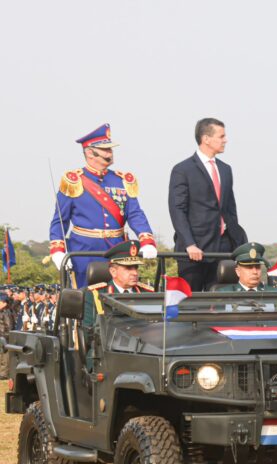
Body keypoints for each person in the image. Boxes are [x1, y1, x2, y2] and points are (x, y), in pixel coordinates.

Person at [49, 124, 157, 288]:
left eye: (110, 149)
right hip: (84, 249)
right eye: (105, 150)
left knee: (116, 294)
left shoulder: (121, 180)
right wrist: (57, 251)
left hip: (117, 248)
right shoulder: (74, 180)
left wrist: (147, 240)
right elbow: (60, 220)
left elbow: (135, 214)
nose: (110, 153)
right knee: (84, 296)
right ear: (90, 153)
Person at [168, 118, 248, 291]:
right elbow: (177, 210)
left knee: (218, 306)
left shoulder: (226, 169)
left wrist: (238, 243)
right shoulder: (183, 169)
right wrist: (189, 244)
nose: (225, 140)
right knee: (192, 306)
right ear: (206, 139)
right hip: (193, 251)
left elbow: (230, 209)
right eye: (221, 136)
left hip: (222, 250)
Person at [83, 241, 154, 328]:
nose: (135, 273)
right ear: (113, 272)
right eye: (128, 268)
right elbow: (89, 332)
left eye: (136, 268)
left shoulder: (147, 293)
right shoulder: (94, 294)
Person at [0, 294, 14, 379]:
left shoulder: (6, 313)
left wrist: (4, 337)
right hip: (1, 336)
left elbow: (9, 327)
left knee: (5, 356)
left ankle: (4, 374)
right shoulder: (1, 312)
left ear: (4, 303)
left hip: (5, 337)